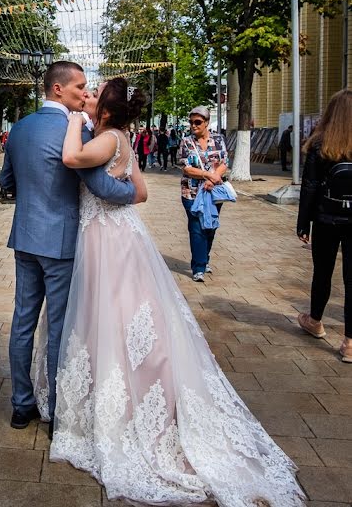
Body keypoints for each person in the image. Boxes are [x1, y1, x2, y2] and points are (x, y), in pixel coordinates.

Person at [34, 76, 304, 507]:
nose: (88, 95)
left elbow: (70, 158)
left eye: (94, 94)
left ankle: (121, 406)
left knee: (110, 316)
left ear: (104, 108)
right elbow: (140, 193)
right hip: (121, 235)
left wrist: (71, 117)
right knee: (126, 315)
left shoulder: (104, 140)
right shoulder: (117, 137)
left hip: (105, 238)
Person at [0, 61, 137, 433]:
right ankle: (59, 411)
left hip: (25, 238)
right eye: (79, 87)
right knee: (59, 327)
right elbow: (103, 187)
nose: (84, 93)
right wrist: (134, 191)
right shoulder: (73, 132)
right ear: (57, 89)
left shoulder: (19, 129)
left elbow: (6, 181)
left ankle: (21, 404)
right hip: (60, 244)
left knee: (23, 322)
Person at [297, 89, 352, 362]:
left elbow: (309, 187)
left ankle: (315, 321)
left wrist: (302, 224)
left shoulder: (320, 144)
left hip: (325, 218)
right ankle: (350, 343)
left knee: (323, 272)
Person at [178, 107, 229, 282]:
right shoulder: (186, 142)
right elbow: (185, 167)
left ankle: (204, 259)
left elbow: (224, 162)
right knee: (196, 227)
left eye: (198, 122)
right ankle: (198, 267)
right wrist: (206, 175)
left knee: (210, 225)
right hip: (191, 192)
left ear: (206, 122)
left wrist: (213, 178)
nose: (193, 125)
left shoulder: (218, 139)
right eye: (191, 122)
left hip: (213, 192)